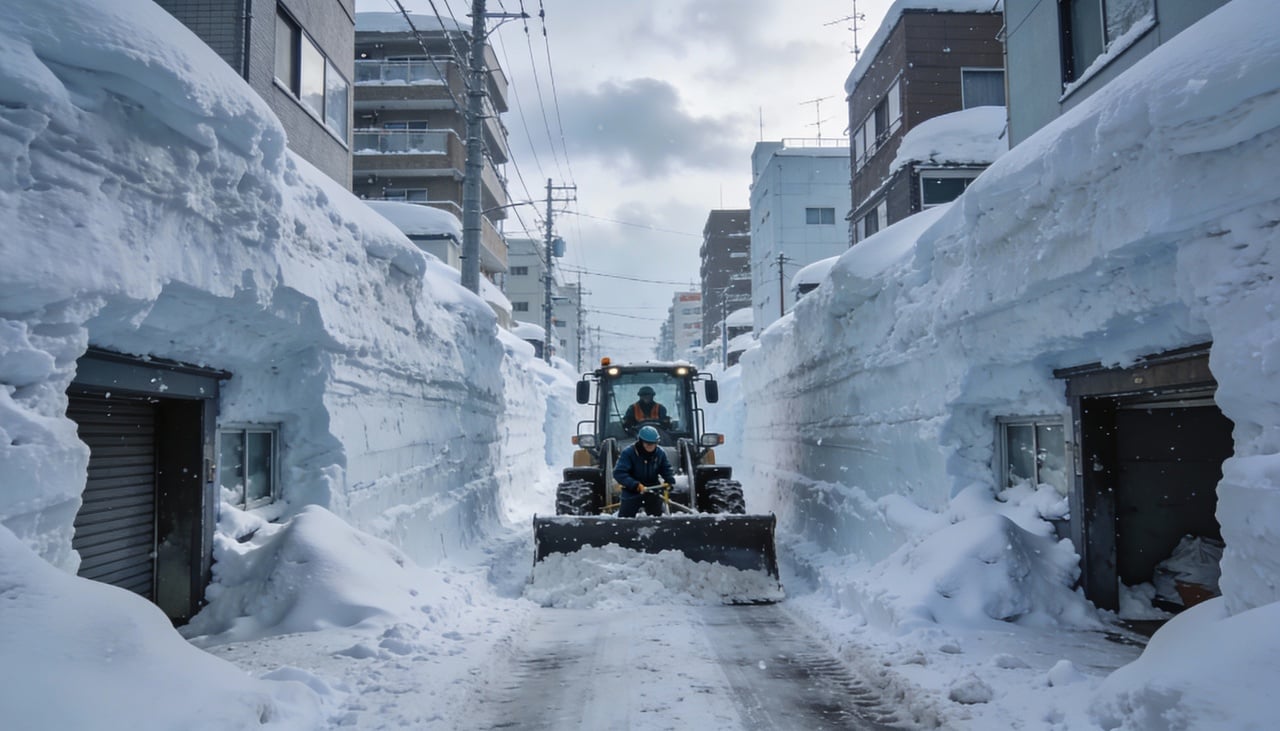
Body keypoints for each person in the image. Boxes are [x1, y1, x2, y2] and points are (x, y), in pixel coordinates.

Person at [613, 425, 675, 517]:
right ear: (641, 441)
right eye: (647, 443)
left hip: (653, 489)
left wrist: (669, 480)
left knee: (657, 517)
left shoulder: (660, 453)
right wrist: (635, 485)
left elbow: (666, 468)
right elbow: (619, 473)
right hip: (632, 490)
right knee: (625, 518)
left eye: (653, 443)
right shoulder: (628, 453)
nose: (650, 446)